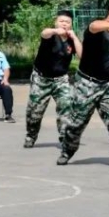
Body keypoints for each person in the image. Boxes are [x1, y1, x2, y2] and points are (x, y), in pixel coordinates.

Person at [58, 7, 109, 169]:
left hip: (107, 85)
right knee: (77, 122)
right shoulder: (97, 29)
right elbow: (94, 26)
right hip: (86, 83)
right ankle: (66, 152)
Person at [24, 11, 82, 149]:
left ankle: (64, 138)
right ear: (56, 22)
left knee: (66, 107)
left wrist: (75, 38)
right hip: (41, 79)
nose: (64, 24)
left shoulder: (71, 39)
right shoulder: (51, 35)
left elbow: (82, 56)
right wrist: (56, 31)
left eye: (67, 22)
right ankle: (31, 136)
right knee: (35, 112)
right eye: (61, 21)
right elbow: (44, 33)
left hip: (61, 79)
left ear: (71, 24)